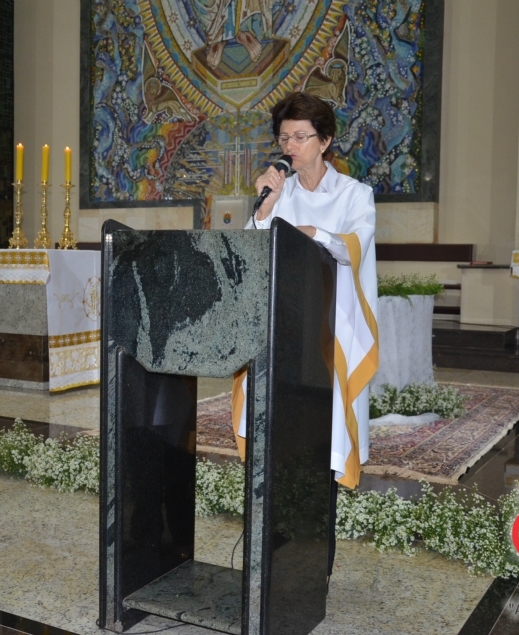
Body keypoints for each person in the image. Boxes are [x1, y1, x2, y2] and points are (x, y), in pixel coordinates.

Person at [230, 91, 379, 579]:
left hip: (328, 342)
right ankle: (270, 556)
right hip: (278, 339)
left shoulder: (355, 194)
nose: (290, 145)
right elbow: (249, 253)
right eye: (283, 137)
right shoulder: (280, 194)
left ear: (326, 140)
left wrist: (314, 234)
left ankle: (315, 564)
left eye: (300, 136)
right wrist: (267, 203)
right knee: (276, 448)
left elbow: (352, 247)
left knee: (317, 448)